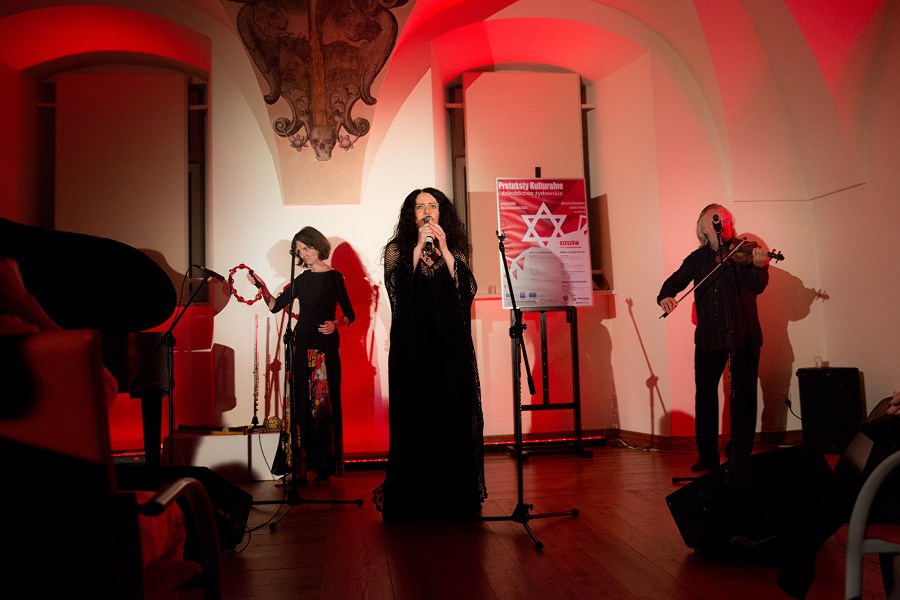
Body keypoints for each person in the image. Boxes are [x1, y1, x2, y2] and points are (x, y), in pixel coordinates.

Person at [372, 187, 487, 520]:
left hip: (450, 347)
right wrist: (418, 248)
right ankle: (413, 498)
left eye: (432, 206)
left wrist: (445, 250)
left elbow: (467, 290)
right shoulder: (397, 249)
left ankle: (455, 497)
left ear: (441, 213)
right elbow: (397, 291)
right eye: (419, 207)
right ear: (412, 215)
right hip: (411, 347)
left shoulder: (455, 250)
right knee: (413, 416)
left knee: (453, 412)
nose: (426, 212)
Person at [657, 203, 771, 471]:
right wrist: (665, 296)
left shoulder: (744, 251)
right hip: (709, 338)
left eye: (727, 220)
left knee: (744, 397)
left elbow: (757, 287)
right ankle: (707, 456)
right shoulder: (697, 259)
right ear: (704, 228)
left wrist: (758, 267)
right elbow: (674, 281)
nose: (723, 225)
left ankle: (739, 454)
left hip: (743, 336)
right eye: (716, 221)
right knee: (705, 397)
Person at [249, 226, 355, 483]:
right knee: (299, 404)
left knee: (322, 407)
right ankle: (300, 464)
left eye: (306, 248)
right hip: (300, 345)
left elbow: (350, 315)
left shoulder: (334, 278)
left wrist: (336, 324)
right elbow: (275, 306)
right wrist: (262, 287)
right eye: (299, 251)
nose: (303, 254)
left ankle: (323, 466)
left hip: (324, 349)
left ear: (318, 247)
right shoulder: (302, 280)